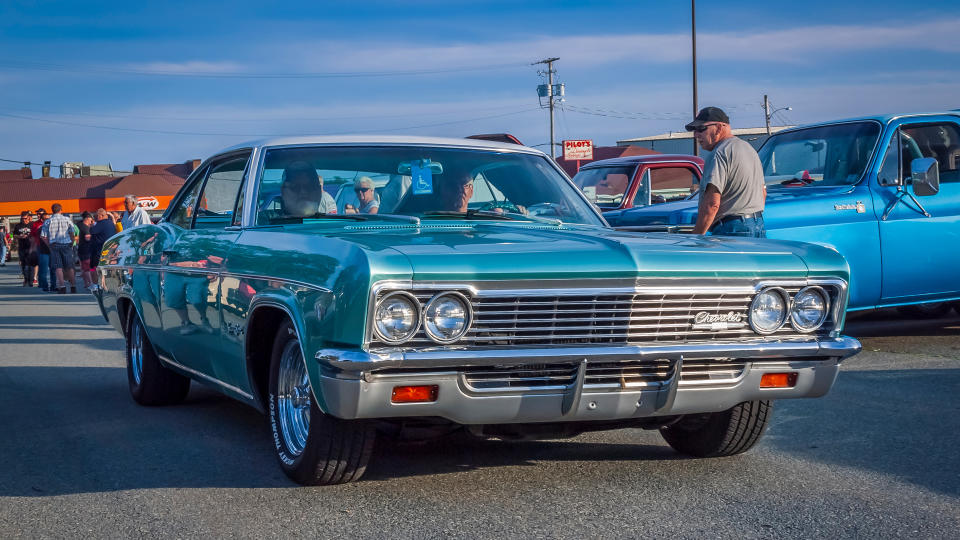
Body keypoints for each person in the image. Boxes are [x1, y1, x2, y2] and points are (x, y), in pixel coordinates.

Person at [685, 106, 766, 237]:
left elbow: (712, 204)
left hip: (732, 229)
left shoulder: (719, 153)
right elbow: (762, 192)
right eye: (694, 130)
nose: (696, 135)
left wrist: (696, 237)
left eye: (701, 129)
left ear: (718, 128)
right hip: (758, 224)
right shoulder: (749, 150)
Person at [41, 203, 77, 294]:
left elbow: (43, 236)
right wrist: (72, 243)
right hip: (66, 245)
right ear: (61, 210)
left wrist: (49, 245)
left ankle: (62, 287)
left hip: (54, 245)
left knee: (58, 267)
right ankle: (73, 286)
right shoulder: (67, 219)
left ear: (52, 210)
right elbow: (72, 233)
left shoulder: (48, 221)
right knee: (70, 266)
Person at [30, 208, 52, 291]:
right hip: (39, 247)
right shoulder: (35, 224)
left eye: (40, 213)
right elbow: (32, 236)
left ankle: (53, 285)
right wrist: (32, 248)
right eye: (37, 214)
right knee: (41, 265)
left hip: (51, 247)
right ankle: (42, 283)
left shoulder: (50, 222)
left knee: (52, 266)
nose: (38, 215)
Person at [13, 211, 36, 286]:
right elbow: (14, 235)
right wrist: (20, 236)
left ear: (29, 217)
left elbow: (37, 235)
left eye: (25, 218)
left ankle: (31, 281)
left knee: (31, 265)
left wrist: (31, 237)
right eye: (22, 218)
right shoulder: (18, 226)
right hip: (22, 247)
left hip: (31, 247)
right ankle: (26, 279)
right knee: (24, 265)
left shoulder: (33, 225)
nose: (24, 220)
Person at [77, 211, 96, 290]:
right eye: (91, 219)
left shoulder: (79, 224)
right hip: (86, 249)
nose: (91, 221)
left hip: (81, 248)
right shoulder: (85, 227)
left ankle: (86, 284)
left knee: (84, 268)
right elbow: (87, 238)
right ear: (87, 218)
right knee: (87, 267)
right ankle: (91, 283)